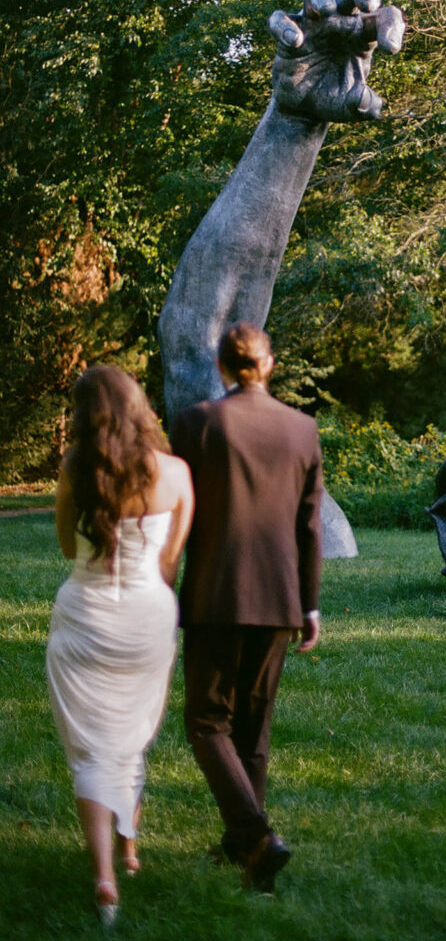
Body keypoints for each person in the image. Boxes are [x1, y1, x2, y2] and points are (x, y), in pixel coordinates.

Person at [170, 322, 322, 893]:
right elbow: (309, 527)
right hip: (280, 597)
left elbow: (177, 510)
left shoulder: (196, 423)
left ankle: (255, 836)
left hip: (214, 593)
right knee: (253, 727)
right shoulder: (302, 429)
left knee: (207, 722)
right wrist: (310, 606)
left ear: (224, 365)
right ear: (269, 364)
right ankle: (248, 852)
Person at [46, 365, 194, 926]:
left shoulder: (73, 470)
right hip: (146, 619)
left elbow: (67, 547)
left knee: (91, 748)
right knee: (128, 738)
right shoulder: (176, 473)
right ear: (139, 407)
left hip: (83, 618)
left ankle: (104, 876)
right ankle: (129, 850)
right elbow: (169, 560)